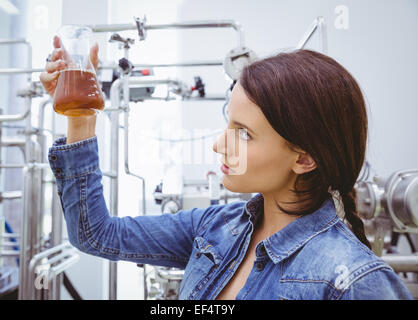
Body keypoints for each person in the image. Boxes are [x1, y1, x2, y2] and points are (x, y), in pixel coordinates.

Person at [40, 36, 413, 300]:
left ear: (303, 158)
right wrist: (81, 116)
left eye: (244, 133)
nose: (220, 144)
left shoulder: (354, 282)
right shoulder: (215, 229)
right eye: (227, 124)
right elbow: (98, 235)